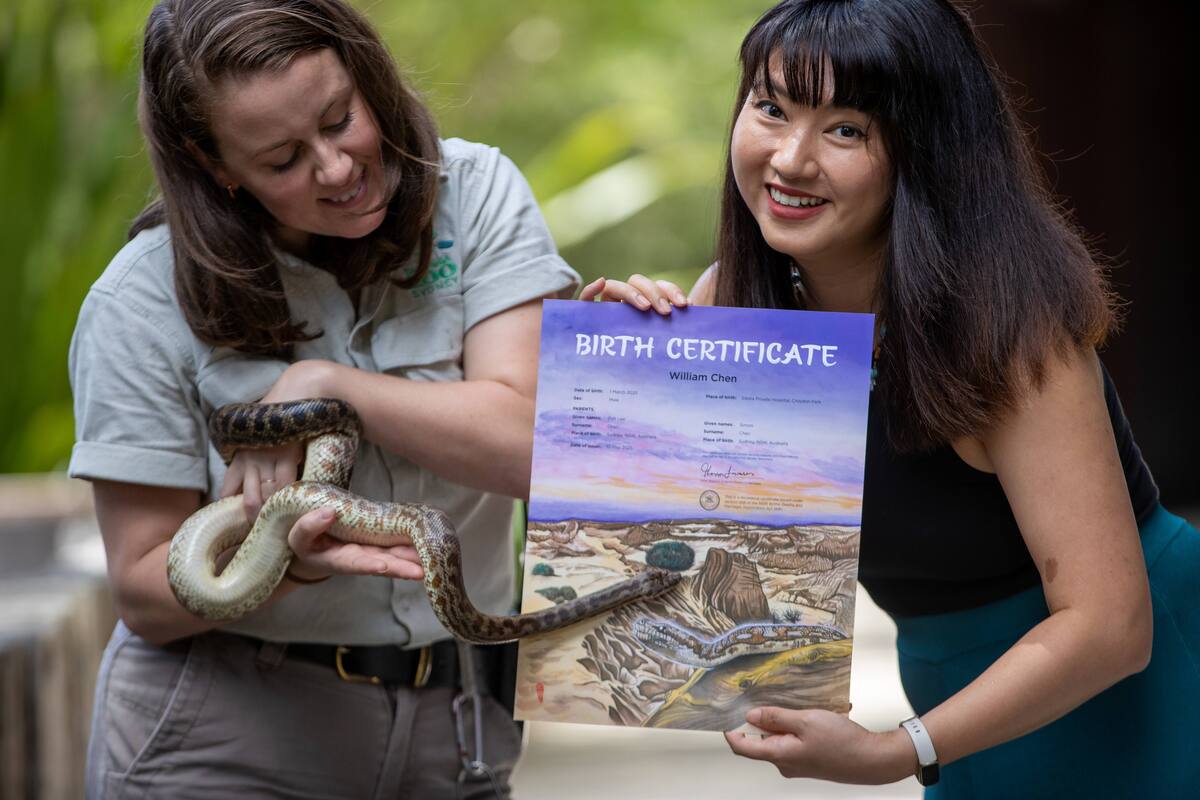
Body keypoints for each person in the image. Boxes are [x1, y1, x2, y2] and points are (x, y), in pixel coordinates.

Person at [582, 0, 1199, 795]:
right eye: (771, 109)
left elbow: (1111, 626)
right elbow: (671, 550)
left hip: (1138, 684)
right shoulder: (732, 304)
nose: (790, 159)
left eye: (846, 129)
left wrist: (897, 750)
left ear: (927, 151)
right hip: (957, 697)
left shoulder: (1009, 337)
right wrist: (627, 375)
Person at [68, 0, 578, 797]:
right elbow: (143, 589)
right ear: (215, 165)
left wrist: (327, 389)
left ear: (367, 78)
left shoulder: (473, 193)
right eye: (281, 161)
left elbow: (536, 448)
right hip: (225, 733)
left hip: (456, 724)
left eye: (341, 120)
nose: (337, 169)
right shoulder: (139, 298)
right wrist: (287, 563)